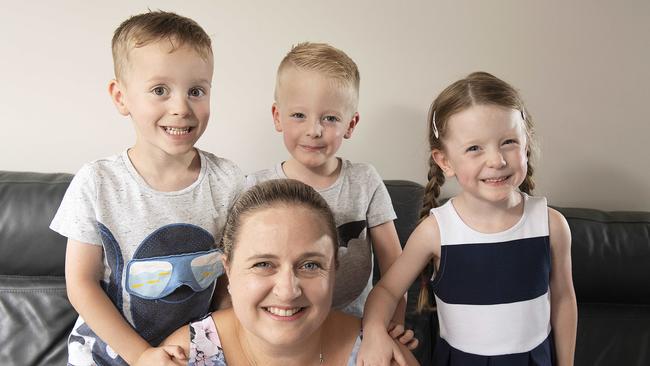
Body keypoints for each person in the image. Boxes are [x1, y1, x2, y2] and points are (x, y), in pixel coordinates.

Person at [49, 11, 244, 366]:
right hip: (108, 350)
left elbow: (235, 276)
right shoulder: (97, 182)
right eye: (159, 90)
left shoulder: (229, 181)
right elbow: (81, 284)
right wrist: (141, 356)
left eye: (196, 91)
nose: (181, 108)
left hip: (192, 349)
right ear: (121, 97)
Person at [358, 72, 577, 366]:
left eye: (509, 142)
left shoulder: (551, 225)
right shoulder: (436, 231)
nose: (497, 160)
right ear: (445, 161)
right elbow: (386, 290)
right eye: (475, 148)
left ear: (526, 144)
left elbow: (563, 301)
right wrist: (373, 332)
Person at [163, 179, 419, 366]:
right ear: (228, 270)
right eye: (263, 264)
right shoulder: (183, 356)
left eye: (310, 265)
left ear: (334, 270)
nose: (287, 291)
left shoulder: (382, 357)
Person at [247, 42, 409, 327]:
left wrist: (391, 329)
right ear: (277, 117)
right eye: (299, 115)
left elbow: (396, 270)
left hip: (354, 331)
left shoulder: (364, 182)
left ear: (351, 124)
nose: (314, 130)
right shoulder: (257, 187)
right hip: (280, 331)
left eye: (330, 118)